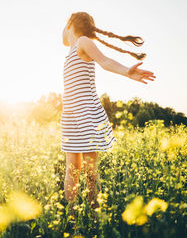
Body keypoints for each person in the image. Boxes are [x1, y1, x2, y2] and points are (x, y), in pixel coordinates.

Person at [61, 12, 156, 214]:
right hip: (70, 115)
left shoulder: (83, 42)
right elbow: (63, 40)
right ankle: (70, 219)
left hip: (86, 113)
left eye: (65, 24)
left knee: (89, 172)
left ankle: (95, 217)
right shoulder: (70, 50)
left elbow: (105, 62)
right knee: (72, 170)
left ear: (69, 24)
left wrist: (127, 72)